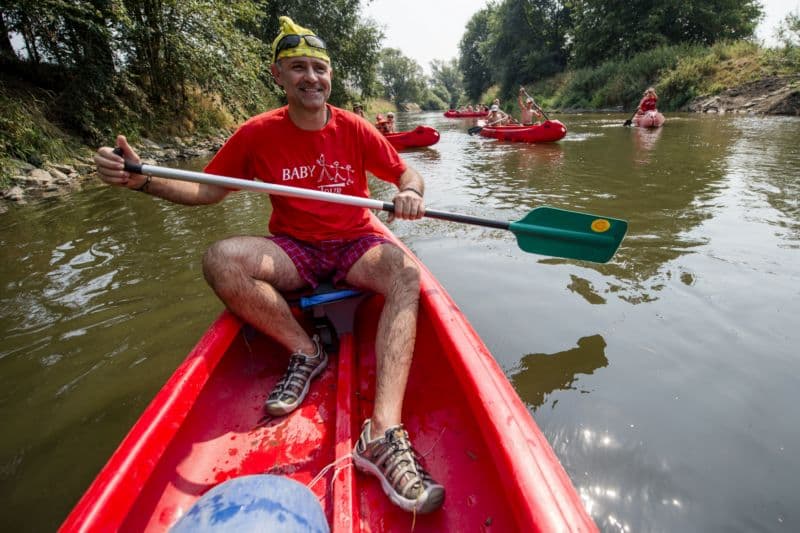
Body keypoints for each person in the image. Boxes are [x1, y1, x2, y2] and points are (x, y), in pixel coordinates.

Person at [93, 16, 444, 515]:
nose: (311, 78)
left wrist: (410, 190)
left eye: (319, 68)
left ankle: (382, 433)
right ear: (278, 75)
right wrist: (142, 181)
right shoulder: (257, 134)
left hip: (354, 242)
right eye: (298, 67)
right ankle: (306, 351)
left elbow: (405, 170)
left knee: (406, 273)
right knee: (221, 258)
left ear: (330, 77)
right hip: (295, 247)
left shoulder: (356, 128)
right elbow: (208, 191)